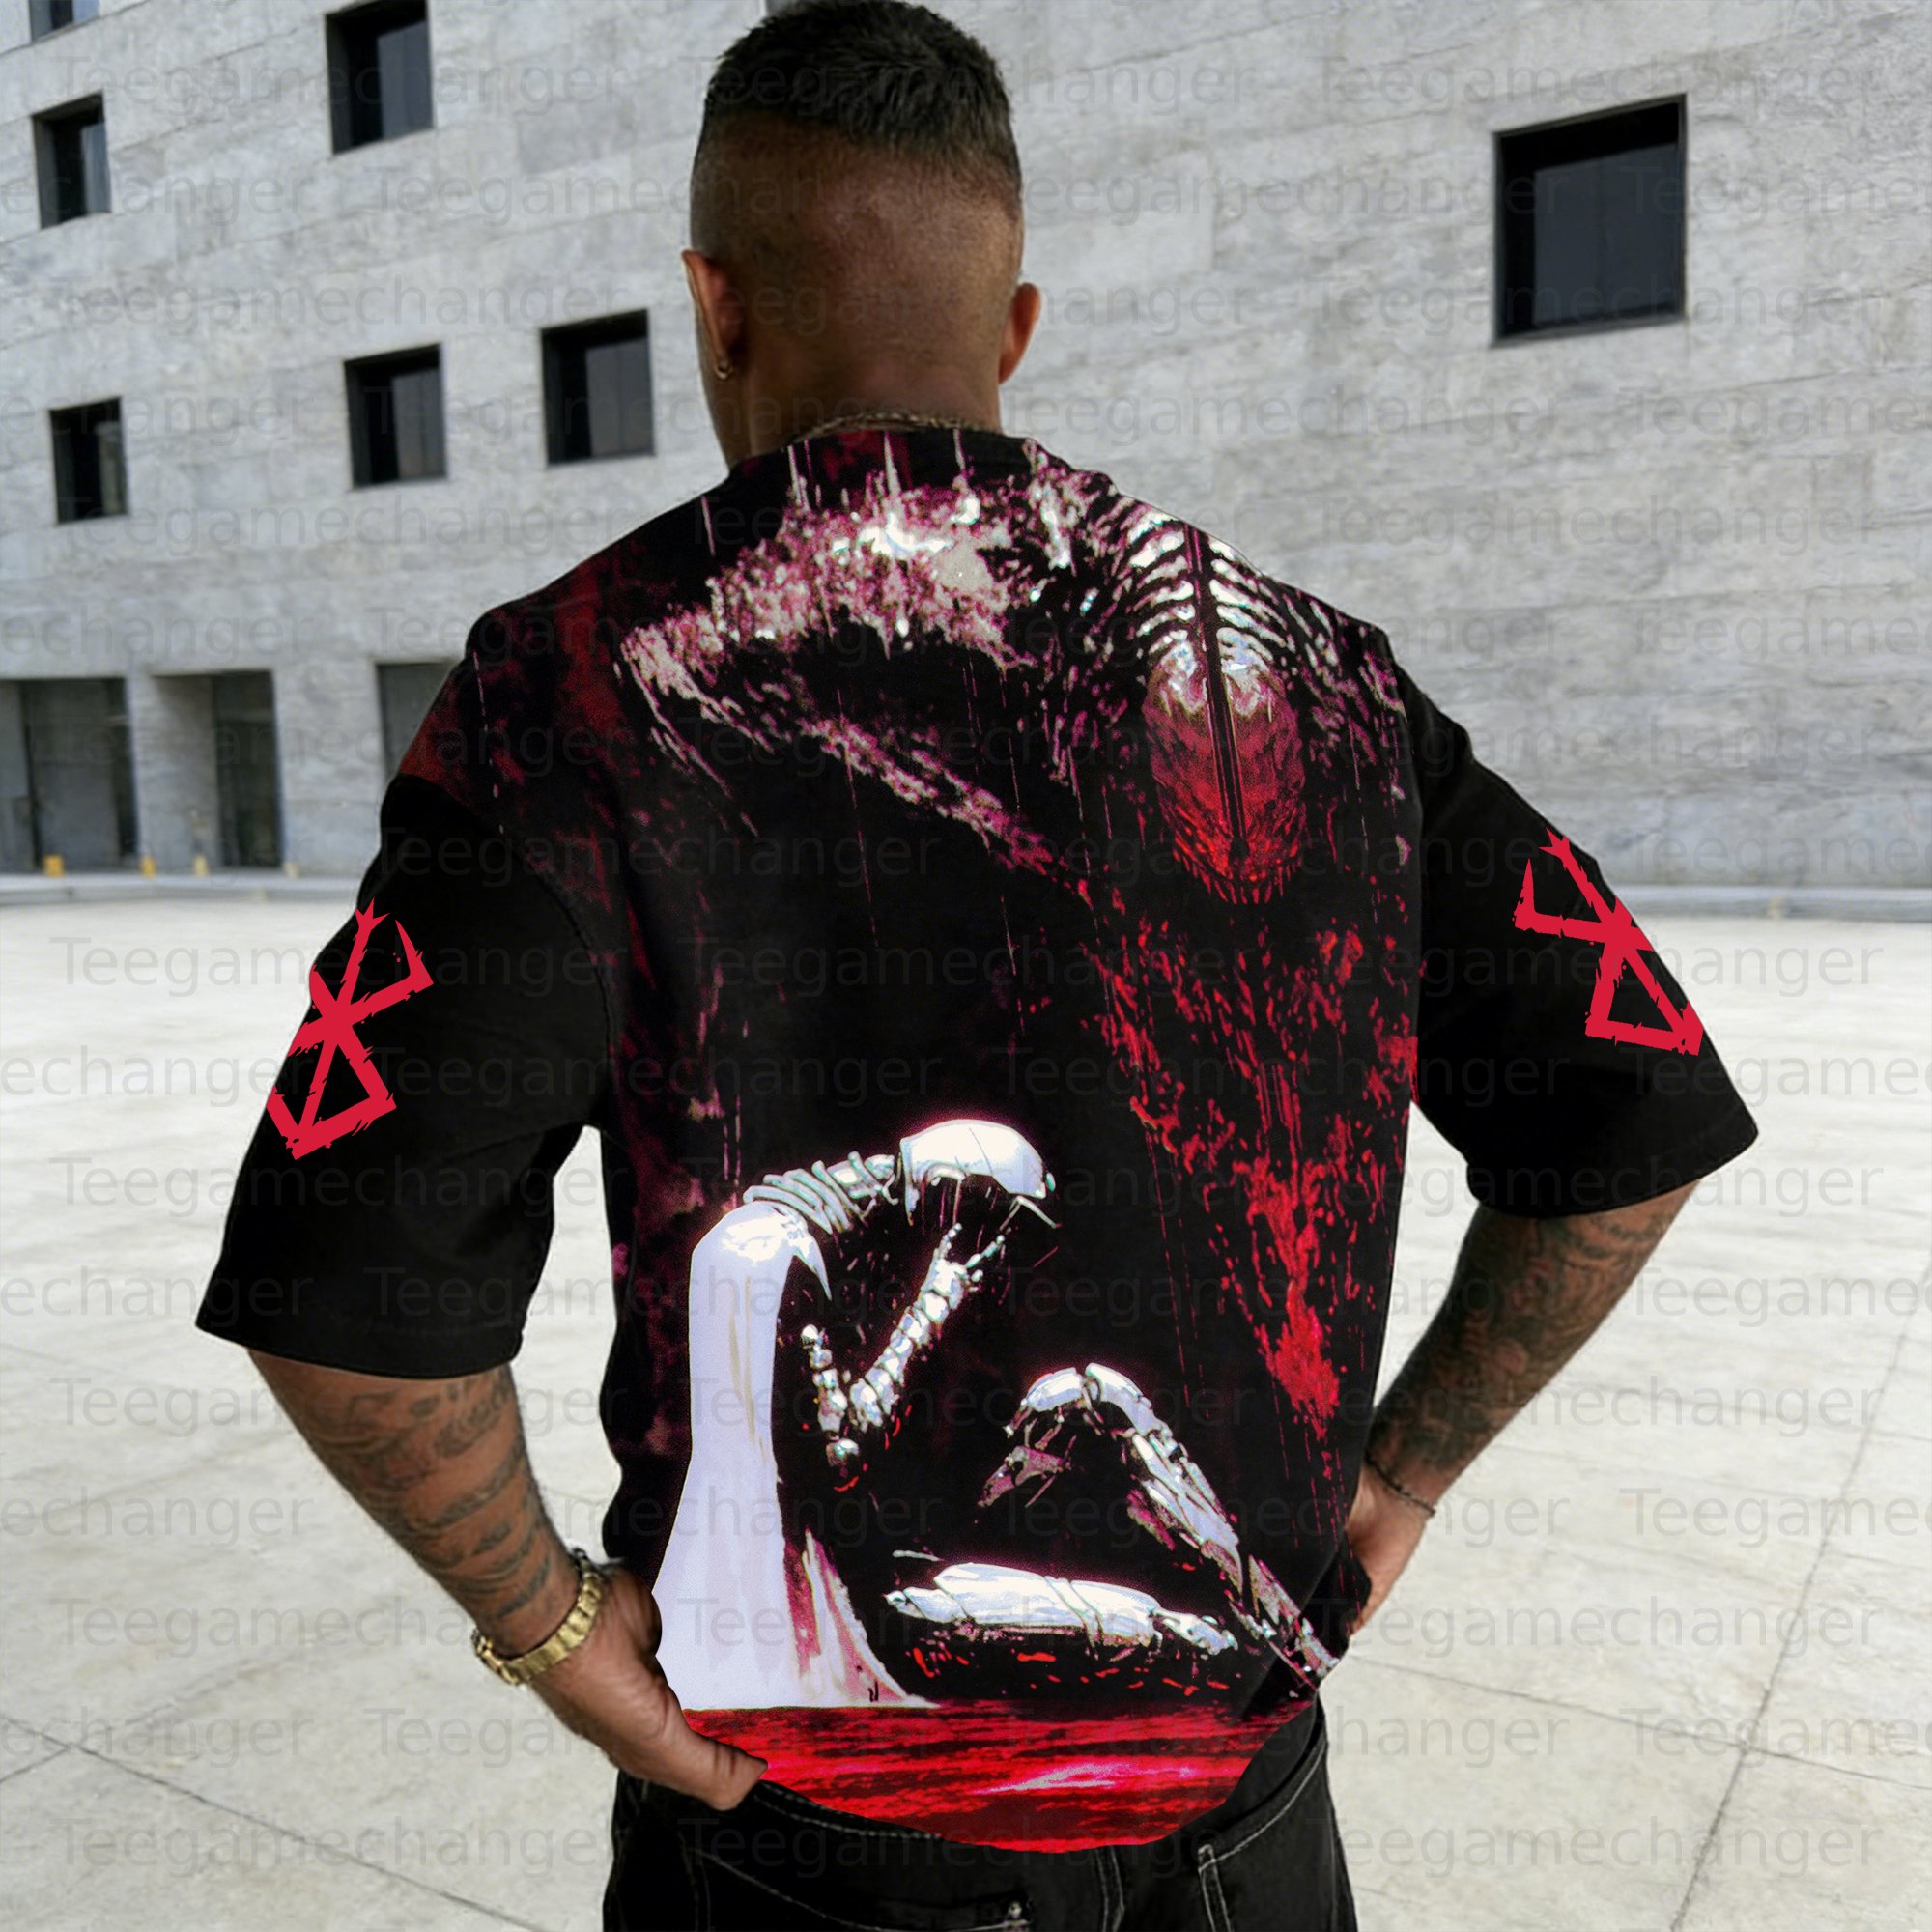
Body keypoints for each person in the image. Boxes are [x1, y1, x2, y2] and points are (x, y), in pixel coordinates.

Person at [195, 4, 1760, 1927]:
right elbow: (1629, 1123)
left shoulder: (577, 692)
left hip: (813, 1836)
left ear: (713, 306)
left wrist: (551, 1630)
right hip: (1243, 1823)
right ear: (1014, 324)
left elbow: (348, 1292)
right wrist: (1406, 1471)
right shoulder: (1324, 687)